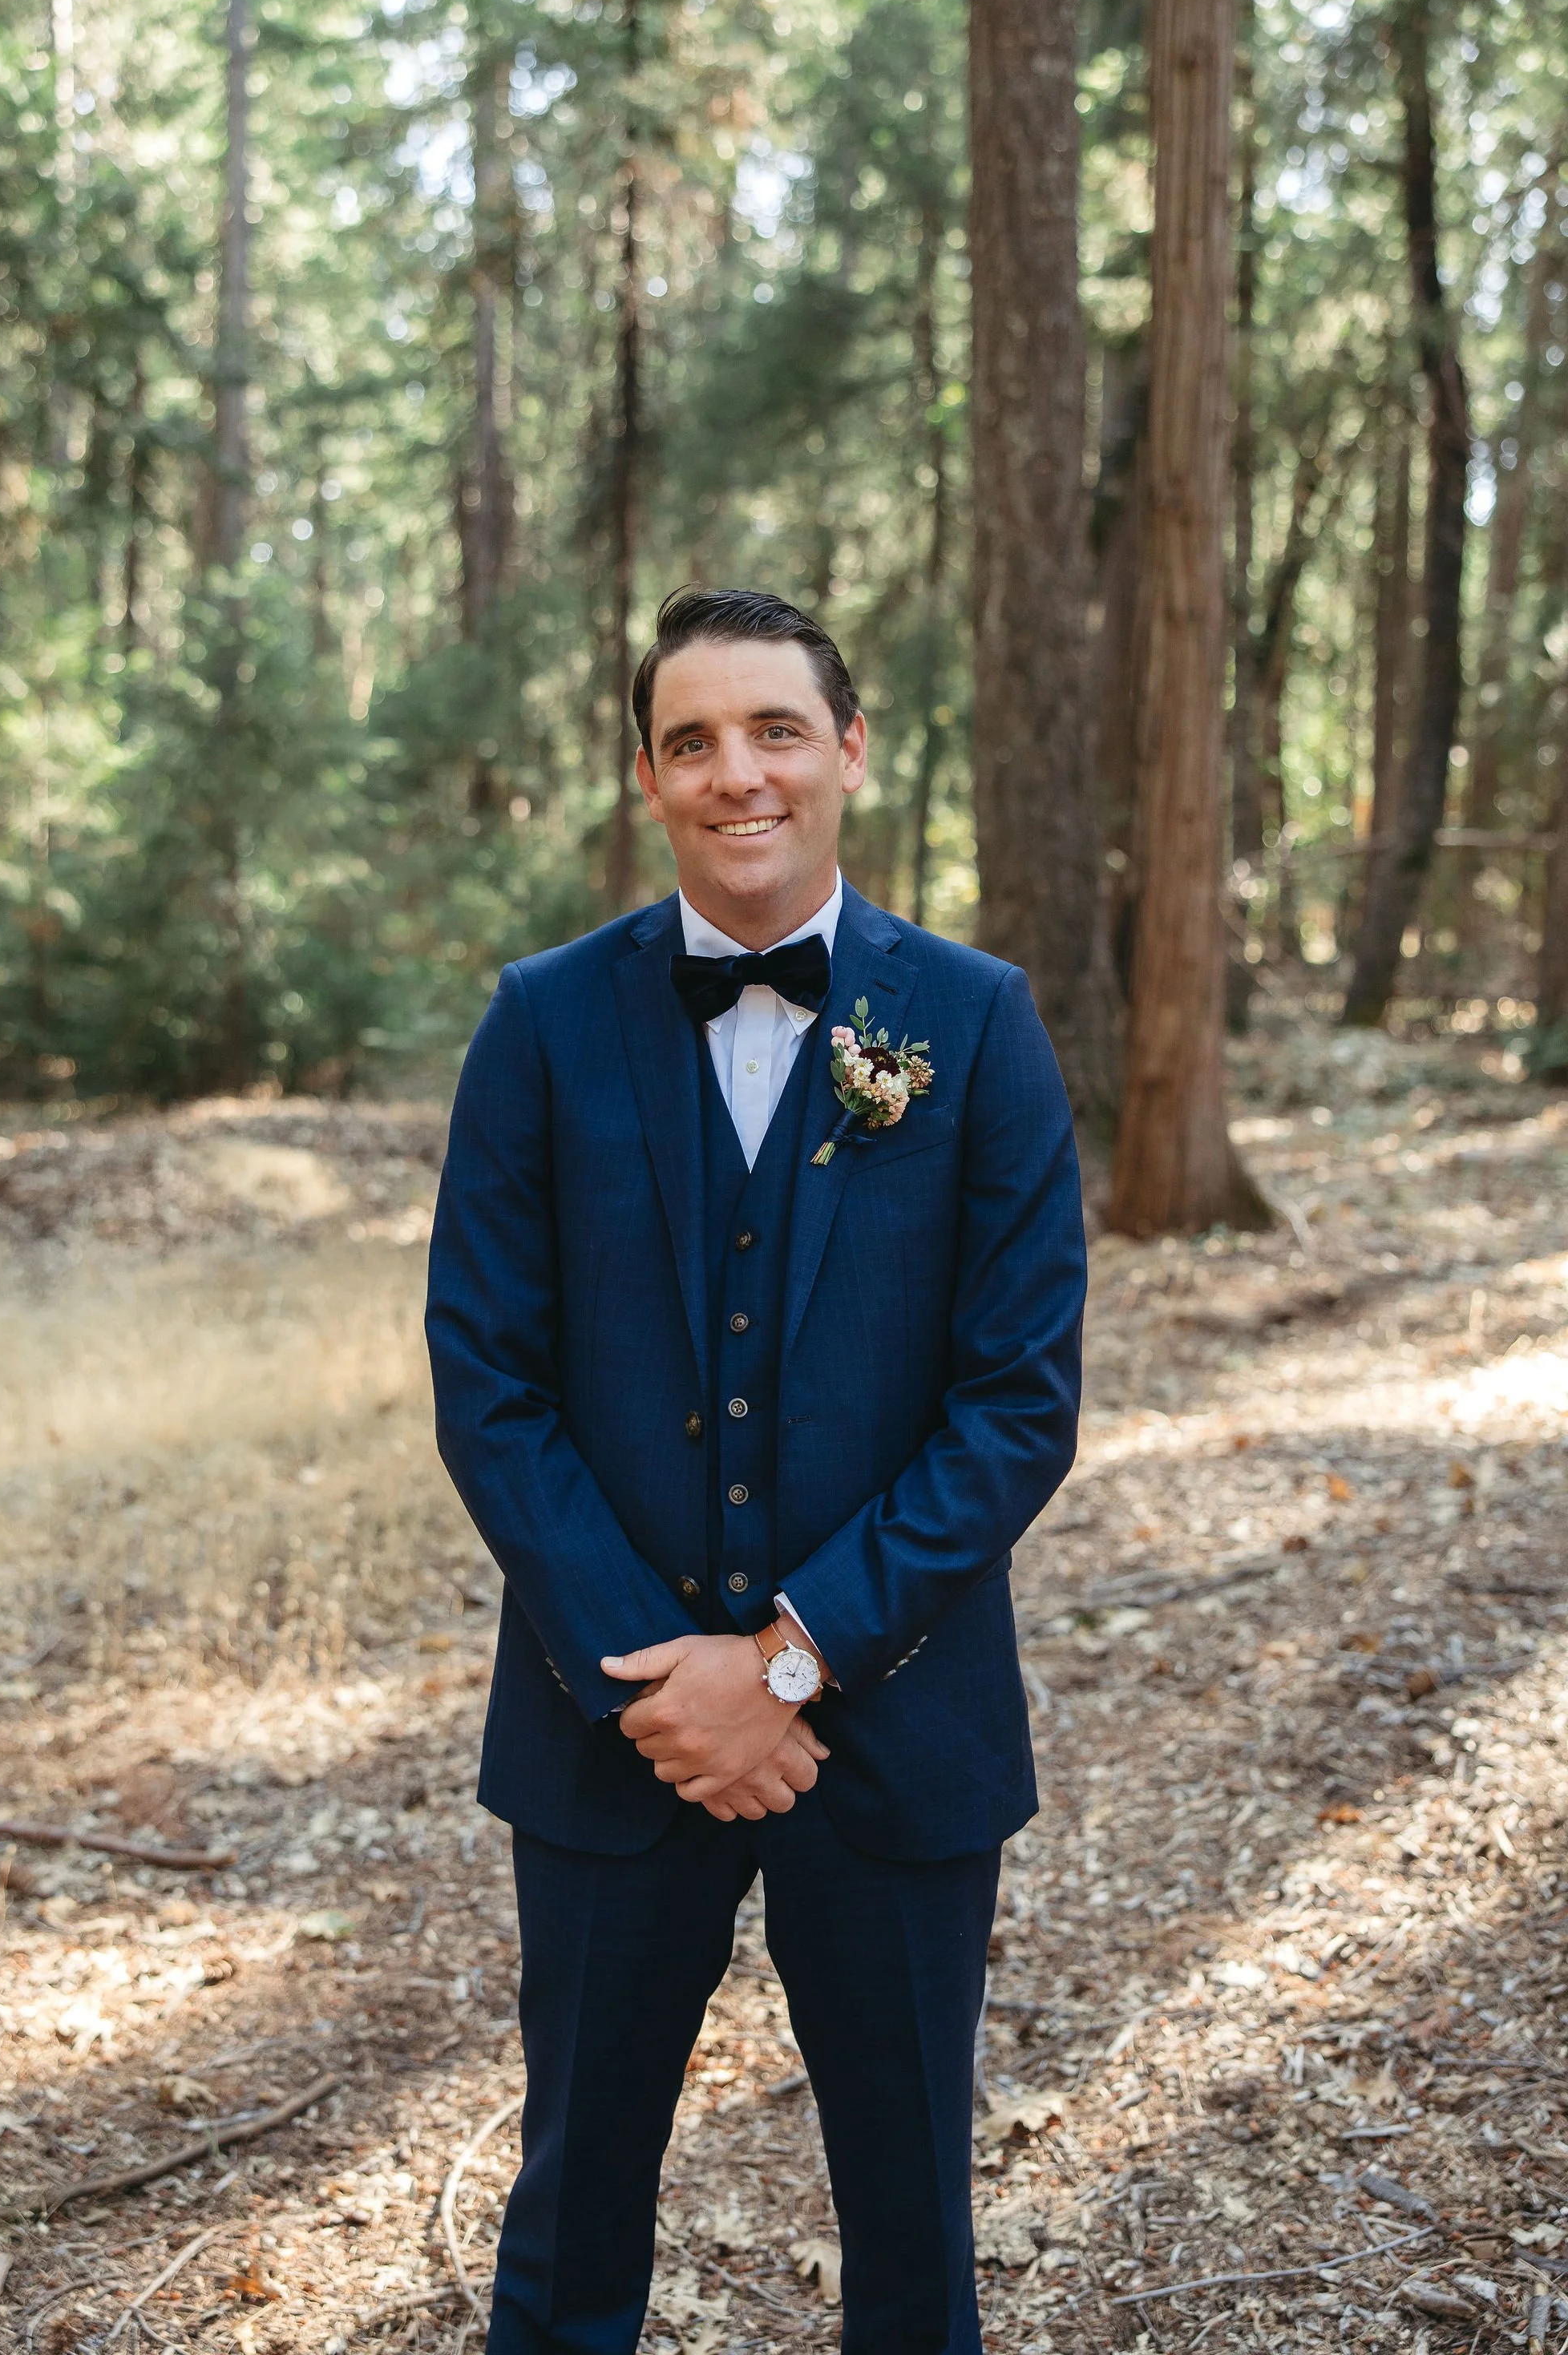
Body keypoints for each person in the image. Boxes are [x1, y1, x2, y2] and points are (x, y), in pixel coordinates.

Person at [426, 586, 1085, 2355]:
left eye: (775, 729)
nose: (740, 775)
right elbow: (486, 1380)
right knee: (571, 2222)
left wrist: (784, 1662)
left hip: (900, 1732)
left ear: (849, 750)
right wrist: (665, 1677)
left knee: (911, 2233)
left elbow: (1017, 1404)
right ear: (649, 777)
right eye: (692, 740)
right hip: (608, 1726)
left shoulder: (976, 1019)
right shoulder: (542, 1025)